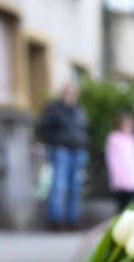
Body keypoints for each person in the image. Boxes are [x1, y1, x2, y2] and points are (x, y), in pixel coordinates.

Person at [37, 83, 89, 230]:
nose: (70, 96)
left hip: (78, 150)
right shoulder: (54, 109)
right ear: (63, 93)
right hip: (61, 149)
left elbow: (83, 130)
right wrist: (53, 143)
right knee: (59, 185)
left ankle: (72, 219)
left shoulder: (79, 109)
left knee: (75, 187)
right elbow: (44, 128)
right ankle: (56, 219)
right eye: (67, 92)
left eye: (73, 93)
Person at [105, 112, 134, 212]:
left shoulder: (133, 138)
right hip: (121, 177)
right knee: (121, 205)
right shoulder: (113, 138)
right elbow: (111, 158)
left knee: (133, 205)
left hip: (133, 177)